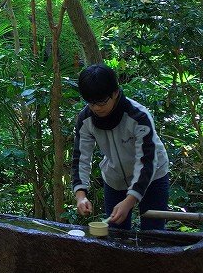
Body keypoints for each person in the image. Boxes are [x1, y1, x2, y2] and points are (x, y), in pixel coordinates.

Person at [71, 63, 171, 231]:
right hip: (115, 180)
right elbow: (81, 157)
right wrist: (80, 196)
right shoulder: (85, 119)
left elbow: (147, 161)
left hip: (153, 177)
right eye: (91, 102)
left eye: (101, 102)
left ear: (115, 93)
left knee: (154, 235)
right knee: (116, 234)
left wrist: (130, 200)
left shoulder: (138, 116)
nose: (96, 108)